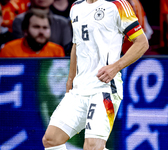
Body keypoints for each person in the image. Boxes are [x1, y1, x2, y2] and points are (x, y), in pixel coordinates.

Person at [42, 0, 149, 149]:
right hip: (79, 89)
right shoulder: (75, 7)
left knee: (92, 146)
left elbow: (142, 43)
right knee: (51, 139)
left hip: (105, 89)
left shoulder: (118, 5)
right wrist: (70, 80)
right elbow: (76, 44)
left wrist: (115, 67)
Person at [0, 9, 65, 57]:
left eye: (45, 28)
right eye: (36, 27)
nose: (41, 32)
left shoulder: (57, 51)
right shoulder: (9, 49)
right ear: (25, 30)